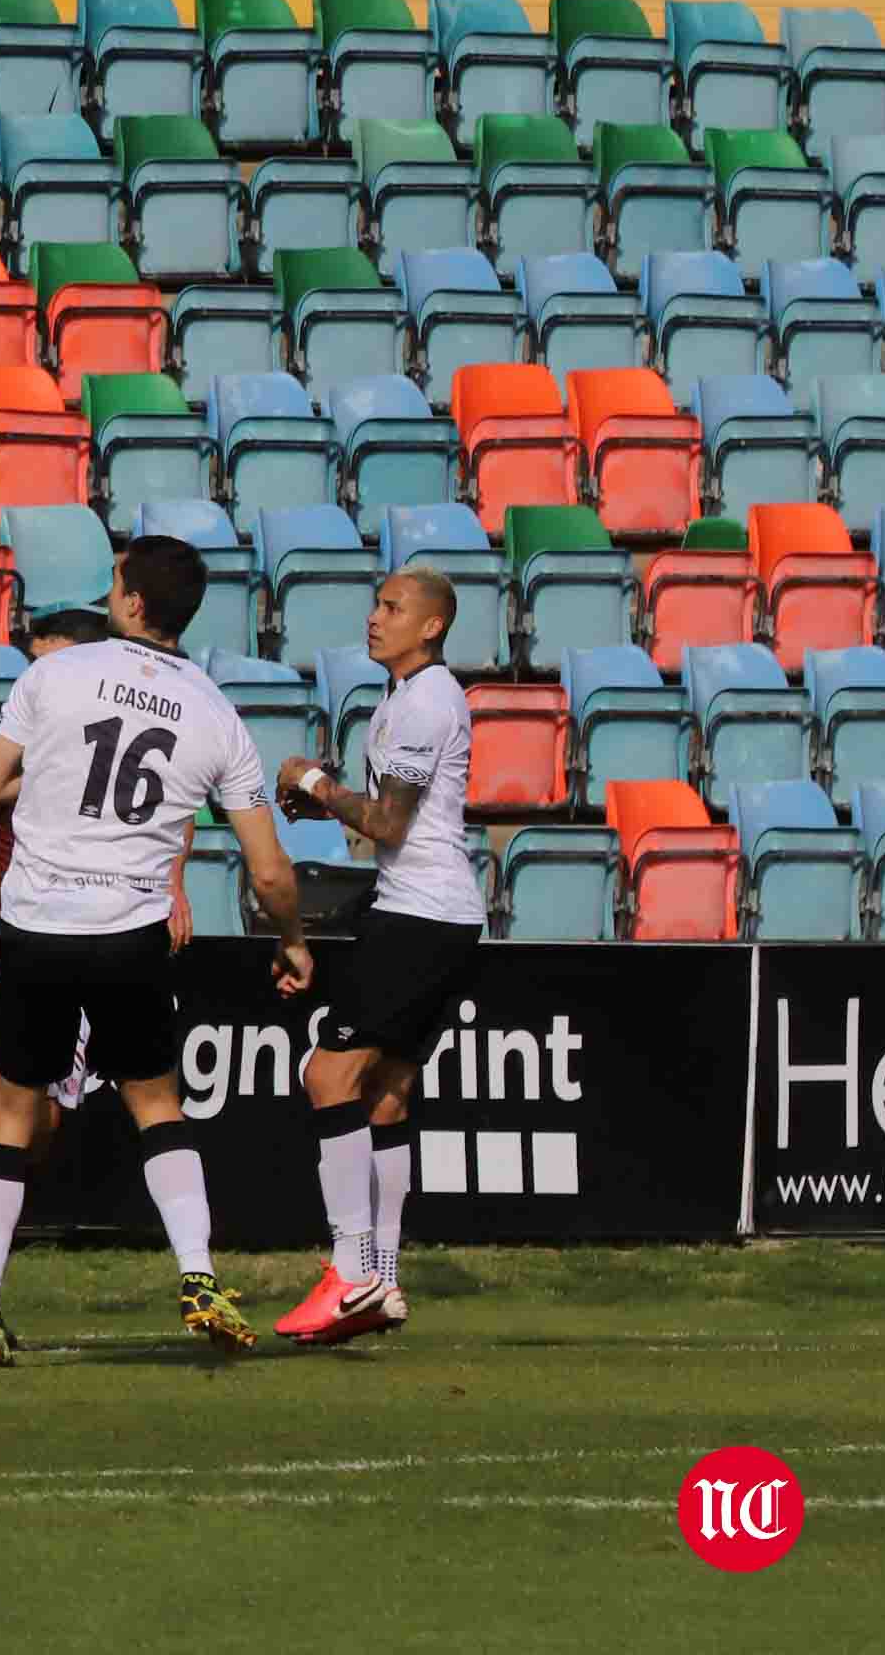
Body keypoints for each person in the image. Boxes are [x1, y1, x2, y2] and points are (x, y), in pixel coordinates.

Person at [0, 538, 310, 1368]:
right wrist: (292, 941)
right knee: (156, 1104)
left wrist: (41, 773)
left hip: (36, 922)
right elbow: (268, 870)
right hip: (130, 927)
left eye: (115, 581)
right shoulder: (216, 712)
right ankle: (198, 1275)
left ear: (134, 602)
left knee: (12, 1114)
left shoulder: (55, 675)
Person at [272, 566, 480, 1346]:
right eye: (375, 605)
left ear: (431, 626)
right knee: (387, 1096)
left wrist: (316, 781)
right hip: (437, 914)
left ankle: (350, 1272)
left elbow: (389, 825)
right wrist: (324, 801)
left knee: (326, 1076)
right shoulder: (405, 697)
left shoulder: (426, 700)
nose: (374, 617)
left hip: (420, 915)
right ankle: (384, 1281)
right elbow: (397, 821)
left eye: (392, 608)